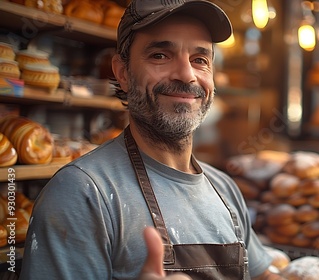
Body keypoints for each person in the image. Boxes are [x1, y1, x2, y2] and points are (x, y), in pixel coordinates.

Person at [19, 1, 284, 279]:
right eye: (160, 55)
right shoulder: (82, 193)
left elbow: (264, 275)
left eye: (200, 60)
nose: (186, 75)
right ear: (122, 73)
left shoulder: (225, 190)